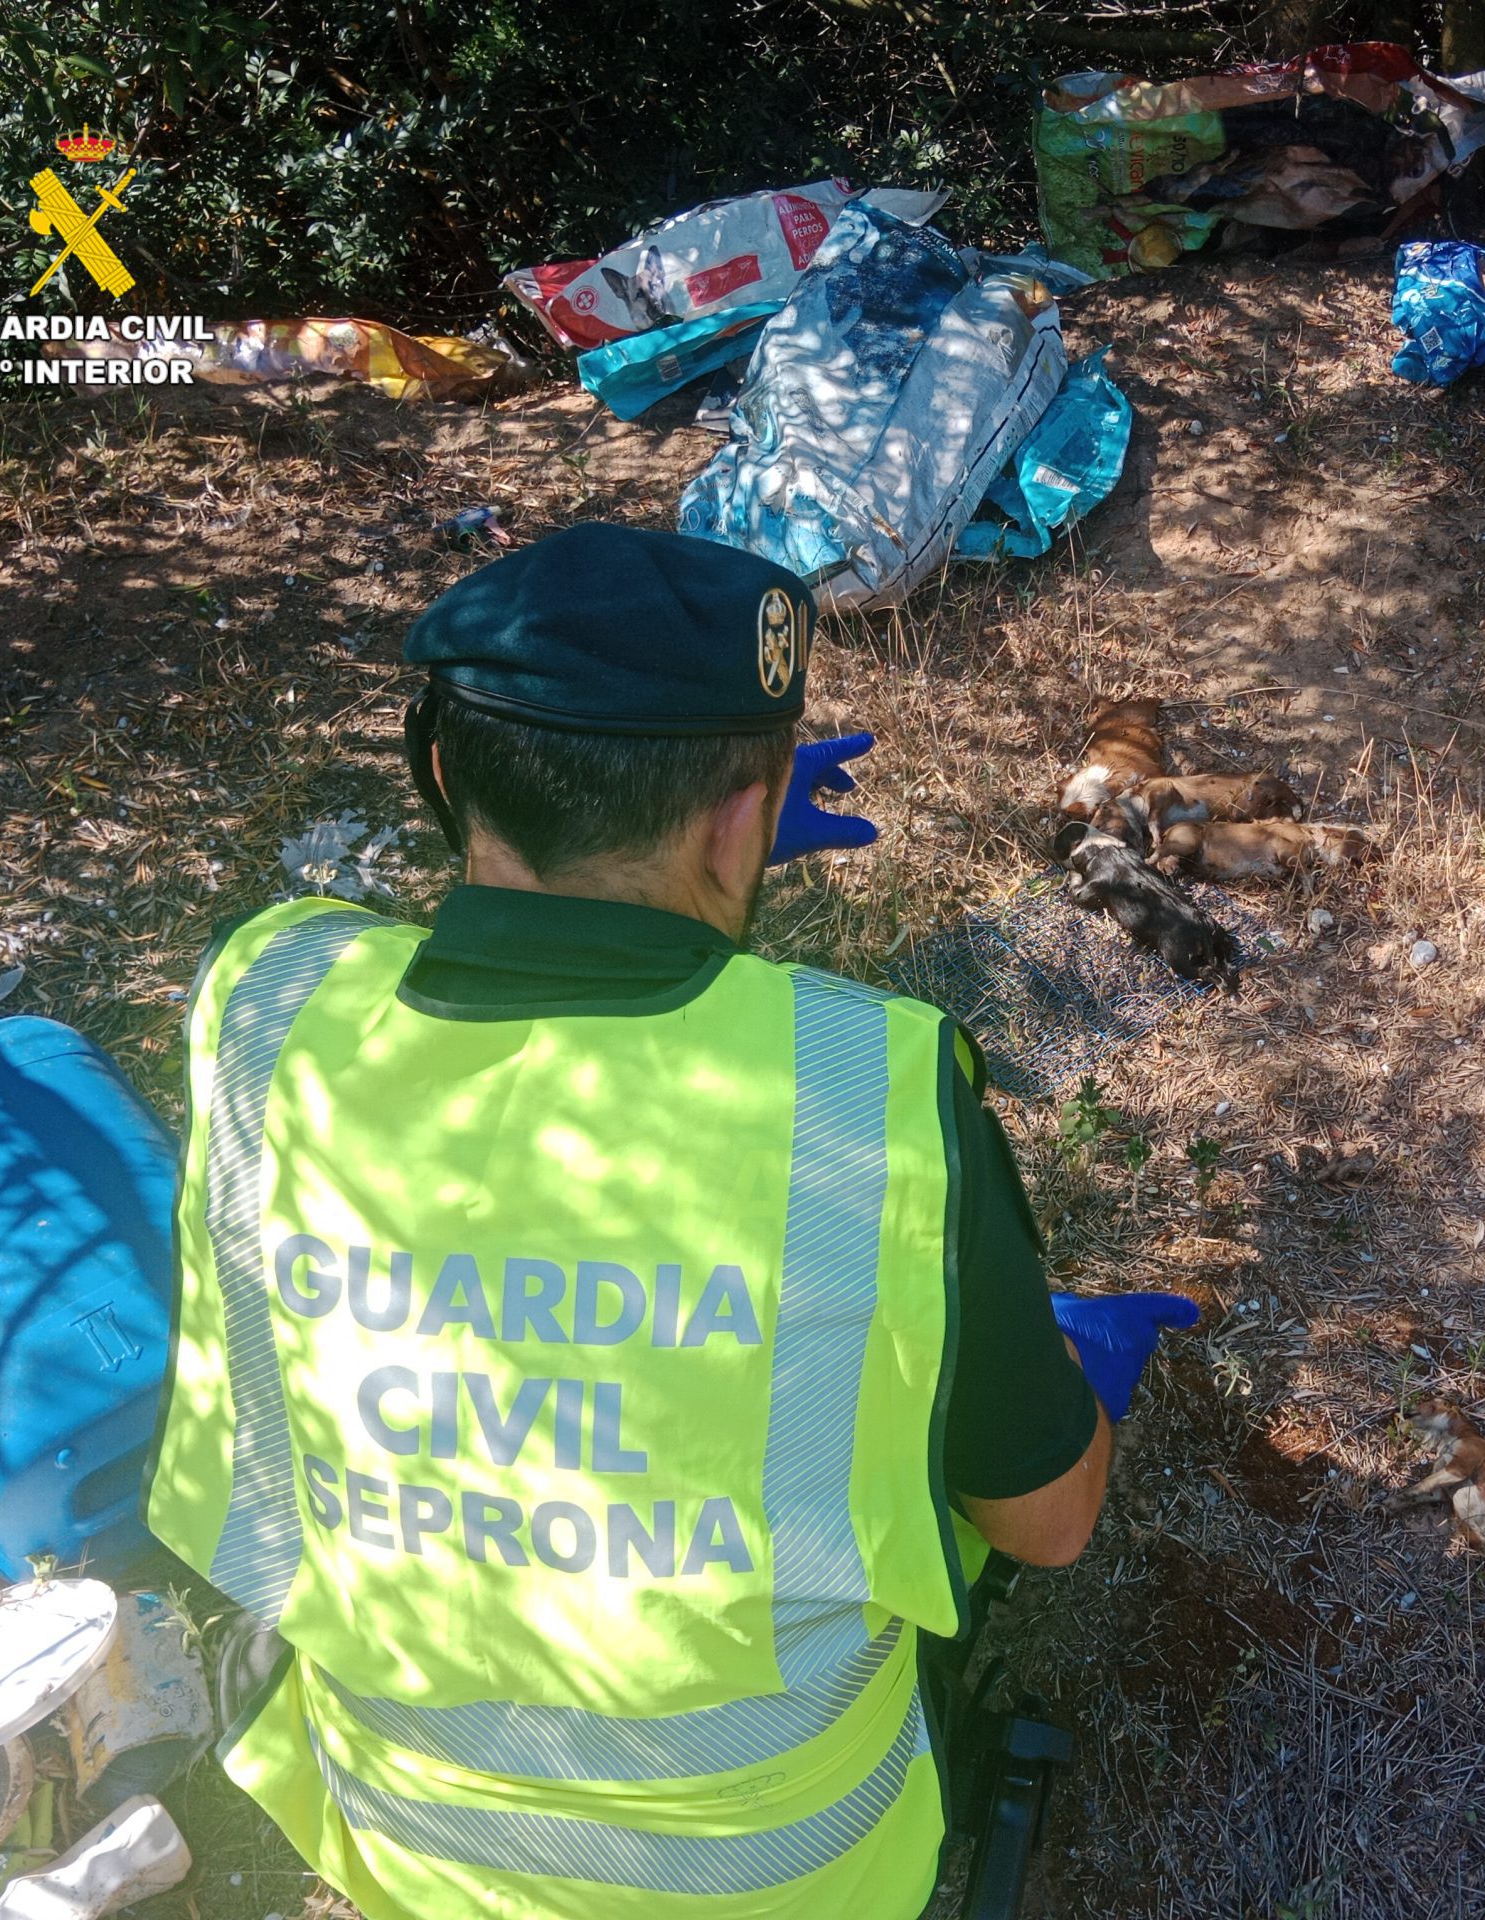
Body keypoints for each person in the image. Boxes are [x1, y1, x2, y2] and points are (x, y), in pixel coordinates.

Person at [143, 524, 1197, 1920]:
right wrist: (1062, 1374)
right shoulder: (874, 1091)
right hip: (790, 1875)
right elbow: (1049, 1524)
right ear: (743, 816)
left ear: (443, 775)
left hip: (398, 1839)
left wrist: (665, 867)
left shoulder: (266, 996)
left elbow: (461, 982)